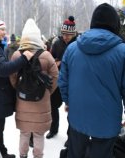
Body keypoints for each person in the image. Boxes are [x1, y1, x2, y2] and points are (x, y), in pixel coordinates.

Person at [58, 3, 125, 158]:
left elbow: (63, 81)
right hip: (107, 123)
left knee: (75, 153)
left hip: (77, 117)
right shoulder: (122, 52)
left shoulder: (72, 48)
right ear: (115, 24)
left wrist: (68, 101)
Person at [0, 14, 34, 158]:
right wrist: (24, 58)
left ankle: (1, 153)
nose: (4, 32)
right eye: (2, 29)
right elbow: (2, 69)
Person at [9, 19, 58, 158]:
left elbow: (12, 76)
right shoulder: (47, 55)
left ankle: (23, 155)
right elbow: (55, 77)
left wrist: (19, 88)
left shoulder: (17, 55)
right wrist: (47, 92)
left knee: (24, 134)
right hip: (41, 102)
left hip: (22, 101)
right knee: (38, 135)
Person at [46, 16, 77, 139]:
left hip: (72, 81)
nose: (65, 37)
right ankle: (53, 129)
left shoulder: (77, 44)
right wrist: (54, 62)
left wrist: (62, 62)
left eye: (68, 34)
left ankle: (71, 136)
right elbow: (51, 58)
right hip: (58, 80)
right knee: (53, 106)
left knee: (72, 109)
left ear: (73, 33)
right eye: (64, 34)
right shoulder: (57, 43)